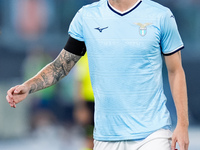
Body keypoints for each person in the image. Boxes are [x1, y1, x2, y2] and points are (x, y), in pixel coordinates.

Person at [6, 0, 189, 150]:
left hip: (152, 134)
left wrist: (182, 124)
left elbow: (175, 71)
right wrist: (29, 86)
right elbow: (61, 66)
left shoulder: (160, 16)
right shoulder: (87, 16)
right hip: (105, 137)